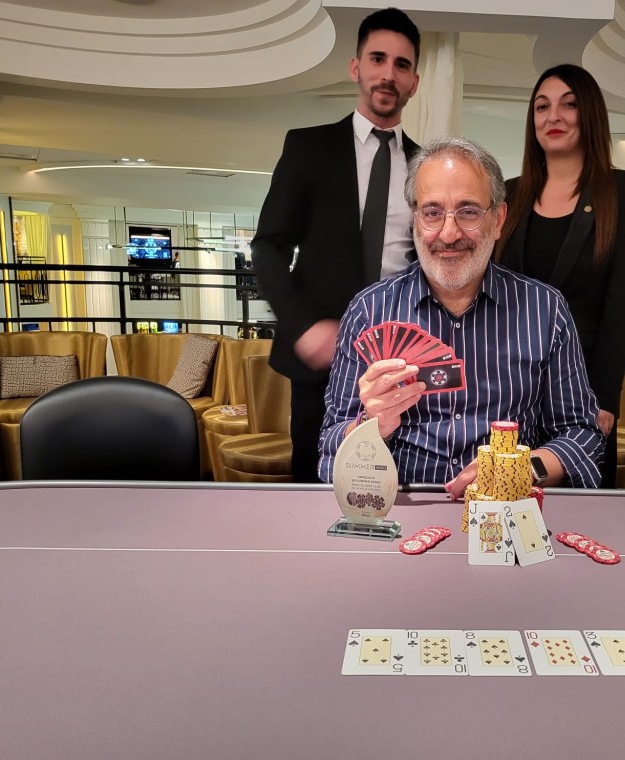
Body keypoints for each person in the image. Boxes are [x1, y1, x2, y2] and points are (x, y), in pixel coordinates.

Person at [319, 135, 603, 494]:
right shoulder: (368, 311)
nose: (449, 234)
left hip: (506, 506)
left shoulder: (545, 310)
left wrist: (520, 469)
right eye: (432, 212)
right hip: (400, 504)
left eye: (468, 211)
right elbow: (330, 447)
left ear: (498, 220)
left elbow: (582, 436)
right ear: (415, 220)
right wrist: (369, 426)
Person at [251, 8, 422, 482]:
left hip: (401, 357)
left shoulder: (425, 165)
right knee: (316, 482)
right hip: (321, 357)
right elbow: (268, 247)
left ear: (414, 83)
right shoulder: (309, 148)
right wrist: (301, 326)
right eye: (377, 59)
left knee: (398, 478)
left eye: (402, 65)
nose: (388, 74)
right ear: (356, 67)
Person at [496, 64, 625, 488]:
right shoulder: (509, 194)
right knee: (504, 501)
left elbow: (624, 303)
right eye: (541, 106)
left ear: (590, 114)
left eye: (568, 105)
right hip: (512, 388)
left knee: (579, 509)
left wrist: (602, 397)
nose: (553, 116)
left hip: (583, 393)